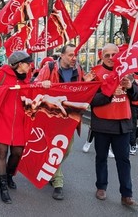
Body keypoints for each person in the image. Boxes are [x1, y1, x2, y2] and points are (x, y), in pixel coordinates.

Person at [34, 43, 92, 200]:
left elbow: (81, 89)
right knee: (55, 147)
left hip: (70, 117)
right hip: (51, 115)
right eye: (71, 55)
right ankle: (58, 182)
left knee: (66, 149)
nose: (74, 58)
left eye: (76, 55)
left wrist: (87, 81)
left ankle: (51, 168)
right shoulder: (49, 67)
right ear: (62, 55)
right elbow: (34, 86)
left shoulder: (78, 69)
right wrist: (42, 83)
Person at [89, 43, 138, 207]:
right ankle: (101, 187)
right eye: (107, 55)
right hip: (102, 124)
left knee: (123, 160)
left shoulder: (126, 71)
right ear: (101, 56)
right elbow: (91, 100)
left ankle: (127, 194)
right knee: (101, 158)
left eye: (114, 55)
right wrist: (110, 94)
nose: (111, 58)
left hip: (122, 125)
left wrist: (130, 87)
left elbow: (137, 96)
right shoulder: (95, 73)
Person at [0, 50, 33, 204]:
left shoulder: (27, 79)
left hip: (19, 122)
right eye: (28, 63)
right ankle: (3, 187)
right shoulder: (2, 74)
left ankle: (9, 175)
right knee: (2, 152)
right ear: (19, 64)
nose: (30, 66)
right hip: (1, 120)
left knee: (17, 152)